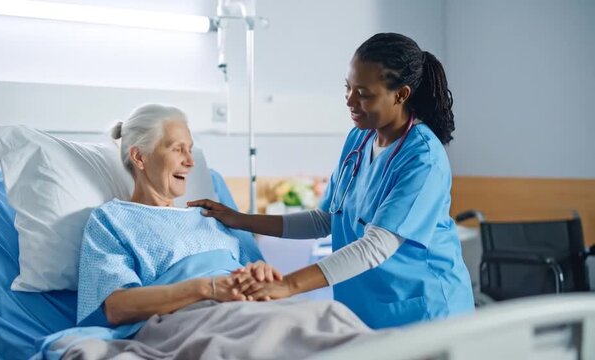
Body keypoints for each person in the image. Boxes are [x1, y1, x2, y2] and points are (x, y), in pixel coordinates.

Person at [188, 32, 475, 330]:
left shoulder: (423, 158)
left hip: (426, 312)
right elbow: (324, 220)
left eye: (363, 93)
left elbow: (376, 246)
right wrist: (241, 220)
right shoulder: (359, 139)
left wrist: (288, 285)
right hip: (368, 311)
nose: (350, 101)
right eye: (348, 88)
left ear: (400, 94)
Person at [76, 104, 278, 327]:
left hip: (255, 311)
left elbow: (254, 272)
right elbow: (117, 307)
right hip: (193, 321)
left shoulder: (211, 217)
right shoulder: (112, 220)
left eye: (190, 149)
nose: (190, 162)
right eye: (177, 149)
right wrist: (206, 288)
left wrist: (262, 273)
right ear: (139, 156)